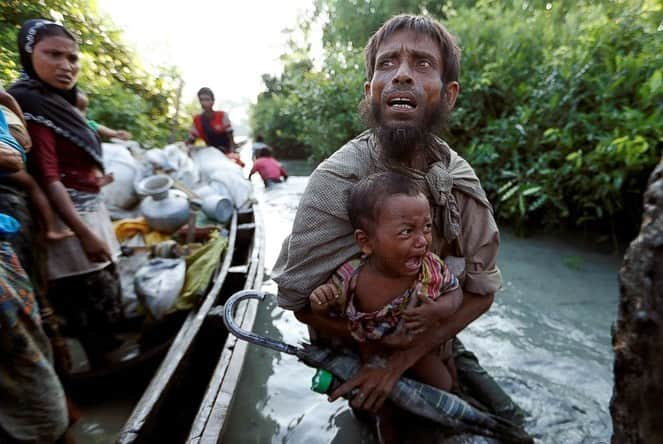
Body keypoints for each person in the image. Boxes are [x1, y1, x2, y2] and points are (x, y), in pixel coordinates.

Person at [273, 13, 525, 432]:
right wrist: (379, 349)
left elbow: (481, 291)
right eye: (387, 64)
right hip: (355, 345)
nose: (402, 75)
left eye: (422, 64)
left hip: (431, 334)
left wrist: (406, 355)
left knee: (513, 427)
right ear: (370, 90)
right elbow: (299, 303)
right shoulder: (338, 181)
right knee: (393, 422)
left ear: (449, 95)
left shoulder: (457, 180)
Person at [8, 19, 123, 369]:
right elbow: (48, 176)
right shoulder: (29, 103)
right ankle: (105, 370)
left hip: (89, 211)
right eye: (53, 55)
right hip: (66, 221)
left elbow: (72, 164)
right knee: (90, 299)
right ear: (29, 55)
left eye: (72, 58)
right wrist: (84, 234)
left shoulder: (64, 101)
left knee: (107, 294)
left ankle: (110, 359)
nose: (66, 65)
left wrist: (95, 182)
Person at [309, 172, 463, 394]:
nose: (422, 241)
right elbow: (326, 308)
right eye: (407, 232)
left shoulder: (431, 268)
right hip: (370, 349)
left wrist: (438, 310)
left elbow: (455, 292)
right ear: (366, 242)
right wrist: (320, 302)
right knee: (375, 398)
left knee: (443, 384)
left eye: (427, 227)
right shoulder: (350, 277)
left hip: (415, 347)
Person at [0, 96, 69, 444]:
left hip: (8, 241)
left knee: (30, 350)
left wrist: (6, 99)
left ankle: (54, 419)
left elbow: (14, 154)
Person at [187, 87, 244, 166]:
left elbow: (230, 136)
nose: (204, 103)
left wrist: (232, 152)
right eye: (201, 100)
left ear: (213, 101)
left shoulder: (222, 115)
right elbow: (191, 139)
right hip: (210, 155)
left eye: (207, 99)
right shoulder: (197, 120)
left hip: (226, 153)